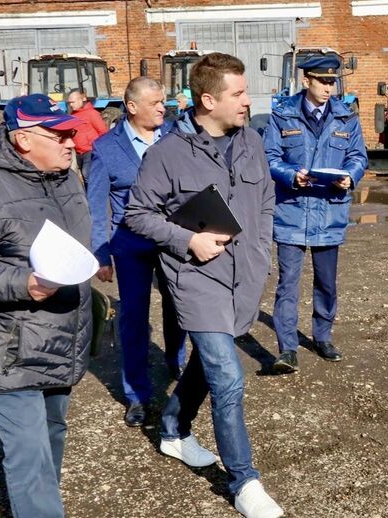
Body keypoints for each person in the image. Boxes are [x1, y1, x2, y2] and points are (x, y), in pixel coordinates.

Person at [124, 52, 283, 518]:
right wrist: (187, 239)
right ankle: (244, 481)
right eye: (238, 94)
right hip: (196, 278)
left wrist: (262, 249)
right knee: (228, 378)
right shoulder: (166, 155)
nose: (247, 101)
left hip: (245, 275)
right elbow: (137, 214)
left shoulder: (251, 140)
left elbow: (266, 198)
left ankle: (173, 429)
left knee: (211, 361)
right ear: (208, 99)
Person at [0, 94, 90, 517]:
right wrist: (21, 283)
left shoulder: (65, 179)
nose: (70, 141)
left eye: (70, 132)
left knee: (52, 437)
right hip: (9, 347)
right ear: (24, 139)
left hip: (62, 338)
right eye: (59, 134)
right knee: (30, 461)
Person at [87, 76, 187, 427]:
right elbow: (97, 206)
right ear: (131, 107)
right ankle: (136, 395)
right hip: (130, 246)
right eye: (155, 103)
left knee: (179, 309)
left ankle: (176, 361)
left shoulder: (176, 136)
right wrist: (101, 254)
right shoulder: (105, 148)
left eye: (164, 102)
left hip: (174, 241)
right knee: (132, 319)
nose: (163, 107)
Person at [263, 55, 367, 374]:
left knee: (326, 283)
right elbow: (269, 157)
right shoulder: (283, 115)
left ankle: (322, 337)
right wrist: (290, 175)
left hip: (329, 210)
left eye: (332, 81)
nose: (328, 88)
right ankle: (287, 349)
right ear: (306, 81)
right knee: (288, 283)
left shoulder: (346, 117)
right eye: (323, 81)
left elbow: (358, 156)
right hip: (293, 210)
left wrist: (350, 176)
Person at [66, 89, 107, 169]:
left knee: (87, 175)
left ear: (81, 100)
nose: (70, 105)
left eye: (72, 102)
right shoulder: (72, 115)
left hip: (90, 150)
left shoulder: (92, 113)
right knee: (84, 176)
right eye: (69, 103)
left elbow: (103, 132)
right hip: (78, 152)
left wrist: (99, 149)